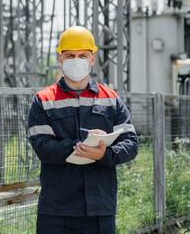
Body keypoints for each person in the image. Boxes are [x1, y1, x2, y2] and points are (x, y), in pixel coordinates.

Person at [27, 26, 139, 234]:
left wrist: (105, 153)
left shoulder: (111, 99)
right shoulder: (44, 100)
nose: (76, 60)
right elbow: (42, 147)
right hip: (57, 210)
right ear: (61, 59)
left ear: (92, 59)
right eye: (70, 55)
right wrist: (81, 148)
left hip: (100, 209)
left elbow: (131, 144)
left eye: (82, 55)